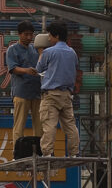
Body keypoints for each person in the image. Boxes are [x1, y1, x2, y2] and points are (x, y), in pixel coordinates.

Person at [34, 21, 80, 157]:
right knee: (70, 125)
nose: (49, 38)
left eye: (50, 35)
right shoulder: (72, 53)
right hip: (66, 94)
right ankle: (74, 152)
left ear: (57, 36)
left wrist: (41, 53)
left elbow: (38, 69)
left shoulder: (49, 52)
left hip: (51, 95)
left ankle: (47, 153)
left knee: (49, 125)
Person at [6, 20, 43, 148]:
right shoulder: (12, 49)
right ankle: (17, 151)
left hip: (36, 92)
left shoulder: (35, 49)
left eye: (30, 34)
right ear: (19, 34)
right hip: (21, 92)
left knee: (39, 124)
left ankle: (40, 149)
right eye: (26, 34)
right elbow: (13, 69)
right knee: (19, 124)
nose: (28, 37)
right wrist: (27, 70)